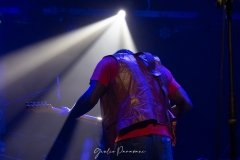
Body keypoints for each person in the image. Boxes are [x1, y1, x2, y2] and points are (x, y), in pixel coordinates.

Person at [47, 49, 192, 160]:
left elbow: (90, 99)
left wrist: (69, 116)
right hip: (163, 142)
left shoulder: (111, 62)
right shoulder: (160, 70)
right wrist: (164, 122)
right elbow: (186, 103)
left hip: (130, 139)